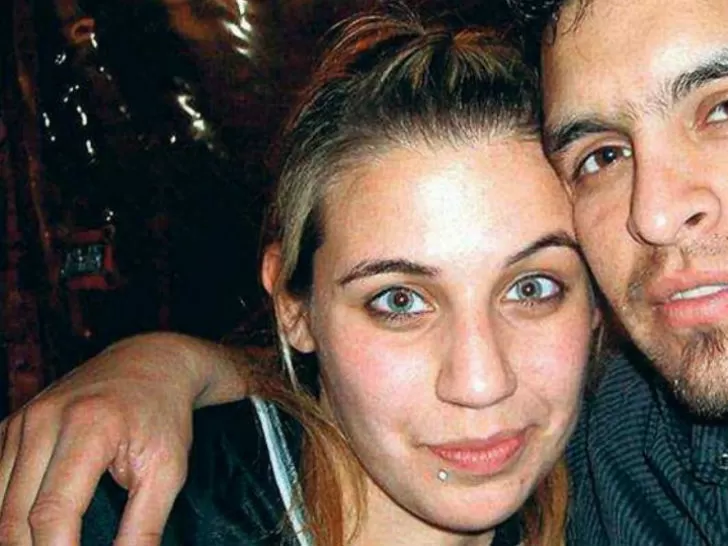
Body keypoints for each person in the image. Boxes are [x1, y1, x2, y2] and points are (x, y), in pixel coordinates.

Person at [3, 0, 728, 544]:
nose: (654, 211)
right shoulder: (598, 429)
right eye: (601, 153)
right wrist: (169, 367)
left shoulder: (584, 430)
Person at [0, 8, 607, 546]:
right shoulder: (116, 511)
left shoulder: (618, 488)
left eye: (533, 289)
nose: (480, 383)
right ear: (295, 309)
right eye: (399, 301)